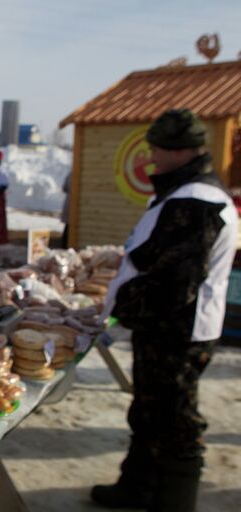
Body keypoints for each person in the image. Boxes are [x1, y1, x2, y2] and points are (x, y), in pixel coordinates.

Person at [93, 109, 238, 512]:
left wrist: (121, 307)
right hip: (163, 328)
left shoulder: (196, 201)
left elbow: (175, 282)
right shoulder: (182, 191)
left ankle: (173, 501)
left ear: (180, 151)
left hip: (176, 331)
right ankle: (136, 486)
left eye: (157, 146)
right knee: (148, 411)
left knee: (176, 421)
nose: (151, 154)